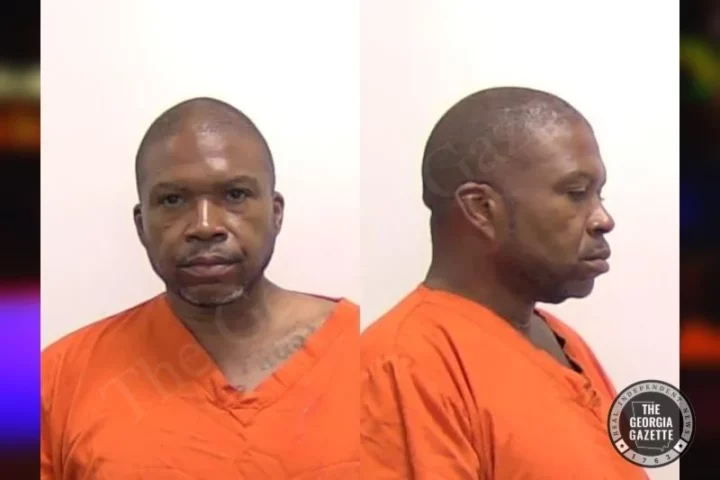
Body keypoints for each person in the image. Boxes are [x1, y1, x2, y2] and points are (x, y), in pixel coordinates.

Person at [41, 98, 359, 479]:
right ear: (141, 226)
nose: (205, 226)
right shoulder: (57, 380)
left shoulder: (363, 355)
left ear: (276, 213)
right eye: (173, 200)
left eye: (235, 195)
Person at [360, 87, 650, 479]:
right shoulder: (405, 369)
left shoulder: (563, 341)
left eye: (599, 194)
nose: (604, 219)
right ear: (481, 208)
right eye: (576, 193)